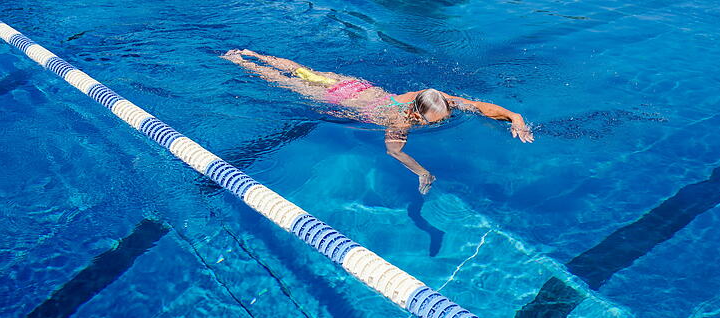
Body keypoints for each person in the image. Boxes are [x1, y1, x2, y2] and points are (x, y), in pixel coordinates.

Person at [221, 49, 534, 194]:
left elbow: (479, 106)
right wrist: (423, 172)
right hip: (339, 99)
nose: (439, 121)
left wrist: (514, 116)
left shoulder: (430, 97)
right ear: (417, 114)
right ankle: (242, 62)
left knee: (304, 71)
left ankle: (250, 53)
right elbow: (393, 152)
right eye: (433, 121)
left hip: (357, 87)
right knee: (283, 81)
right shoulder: (401, 121)